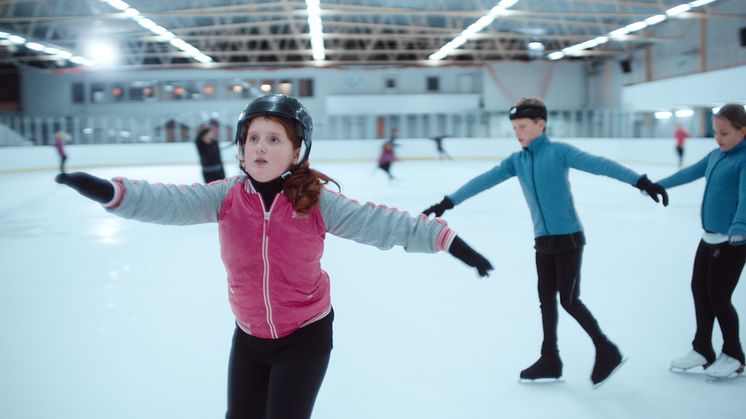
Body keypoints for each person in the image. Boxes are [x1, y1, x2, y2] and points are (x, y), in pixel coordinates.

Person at [55, 94, 493, 419]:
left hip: (304, 337)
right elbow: (167, 202)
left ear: (297, 150)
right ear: (240, 149)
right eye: (251, 139)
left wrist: (449, 240)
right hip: (248, 338)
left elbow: (382, 223)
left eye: (273, 138)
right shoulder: (226, 197)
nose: (259, 147)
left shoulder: (315, 202)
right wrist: (111, 193)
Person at [421, 97, 669, 387]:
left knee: (569, 300)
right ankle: (550, 359)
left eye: (523, 126)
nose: (518, 133)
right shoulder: (518, 161)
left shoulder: (558, 153)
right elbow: (484, 180)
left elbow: (600, 165)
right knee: (546, 301)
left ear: (541, 124)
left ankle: (606, 349)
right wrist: (446, 203)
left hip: (568, 239)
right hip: (543, 241)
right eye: (514, 127)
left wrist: (641, 182)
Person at [661, 104, 746, 379]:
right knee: (700, 290)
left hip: (733, 240)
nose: (718, 138)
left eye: (724, 133)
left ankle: (734, 354)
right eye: (715, 132)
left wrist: (740, 226)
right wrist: (656, 185)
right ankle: (702, 349)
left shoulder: (743, 159)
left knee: (719, 297)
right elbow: (688, 173)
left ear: (742, 131)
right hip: (709, 238)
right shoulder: (715, 156)